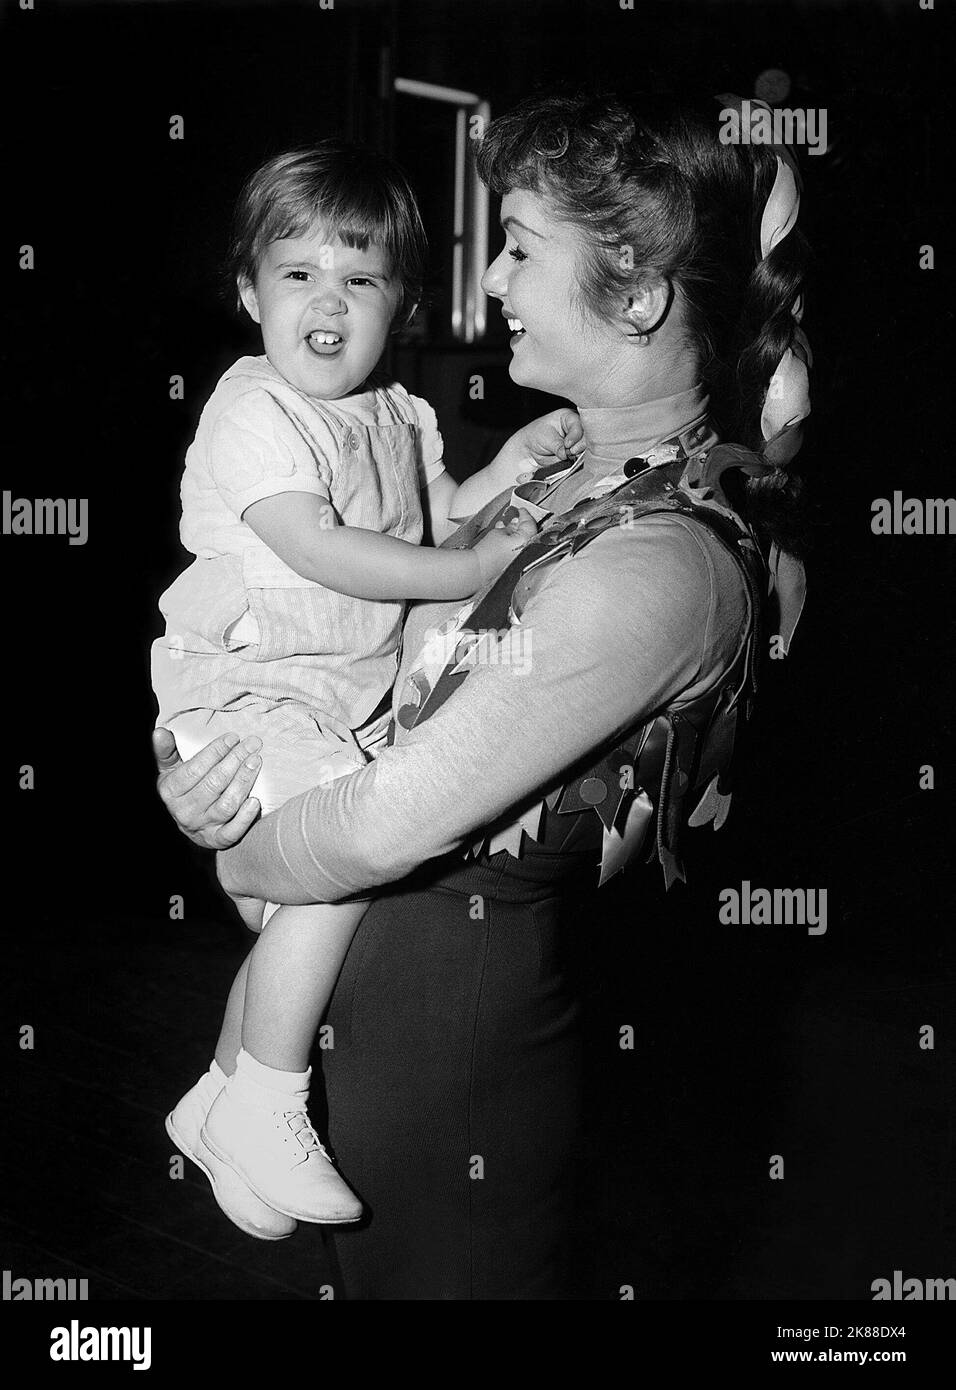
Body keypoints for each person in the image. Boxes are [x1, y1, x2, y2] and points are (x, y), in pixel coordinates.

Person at [154, 91, 811, 1299]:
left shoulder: (659, 562)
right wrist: (215, 770)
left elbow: (375, 824)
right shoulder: (563, 474)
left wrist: (240, 858)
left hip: (452, 1052)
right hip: (356, 1019)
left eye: (518, 245)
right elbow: (342, 651)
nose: (490, 278)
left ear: (635, 295)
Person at [151, 141, 581, 1238]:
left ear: (401, 303)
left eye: (361, 277)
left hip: (337, 705)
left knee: (300, 908)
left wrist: (513, 473)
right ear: (249, 293)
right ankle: (267, 1097)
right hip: (250, 693)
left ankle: (214, 1096)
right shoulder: (253, 413)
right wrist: (469, 570)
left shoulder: (398, 412)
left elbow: (438, 520)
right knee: (333, 877)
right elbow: (327, 547)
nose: (327, 301)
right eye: (297, 275)